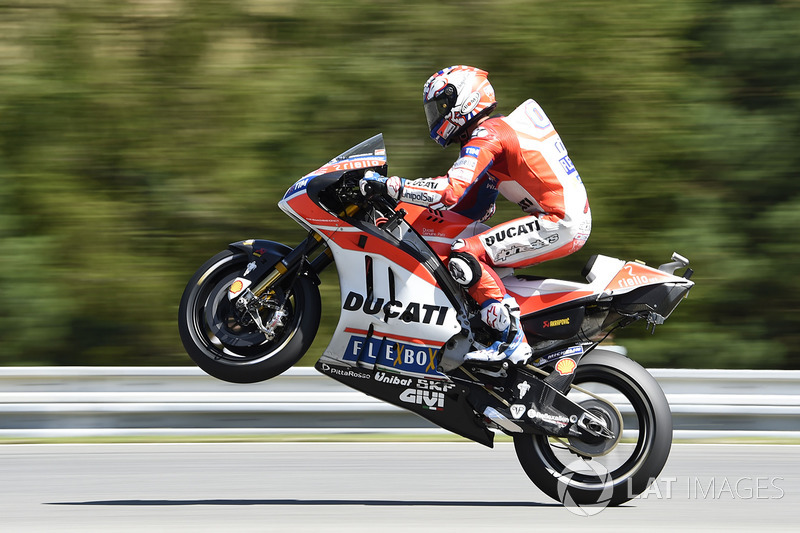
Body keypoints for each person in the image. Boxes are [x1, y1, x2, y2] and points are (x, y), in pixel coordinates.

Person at [361, 65, 591, 364]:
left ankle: (511, 340)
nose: (437, 115)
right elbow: (472, 206)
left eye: (442, 106)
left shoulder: (488, 133)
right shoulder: (493, 133)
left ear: (466, 100)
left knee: (465, 254)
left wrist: (392, 187)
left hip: (559, 222)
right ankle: (485, 325)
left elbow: (451, 191)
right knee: (463, 239)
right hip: (561, 221)